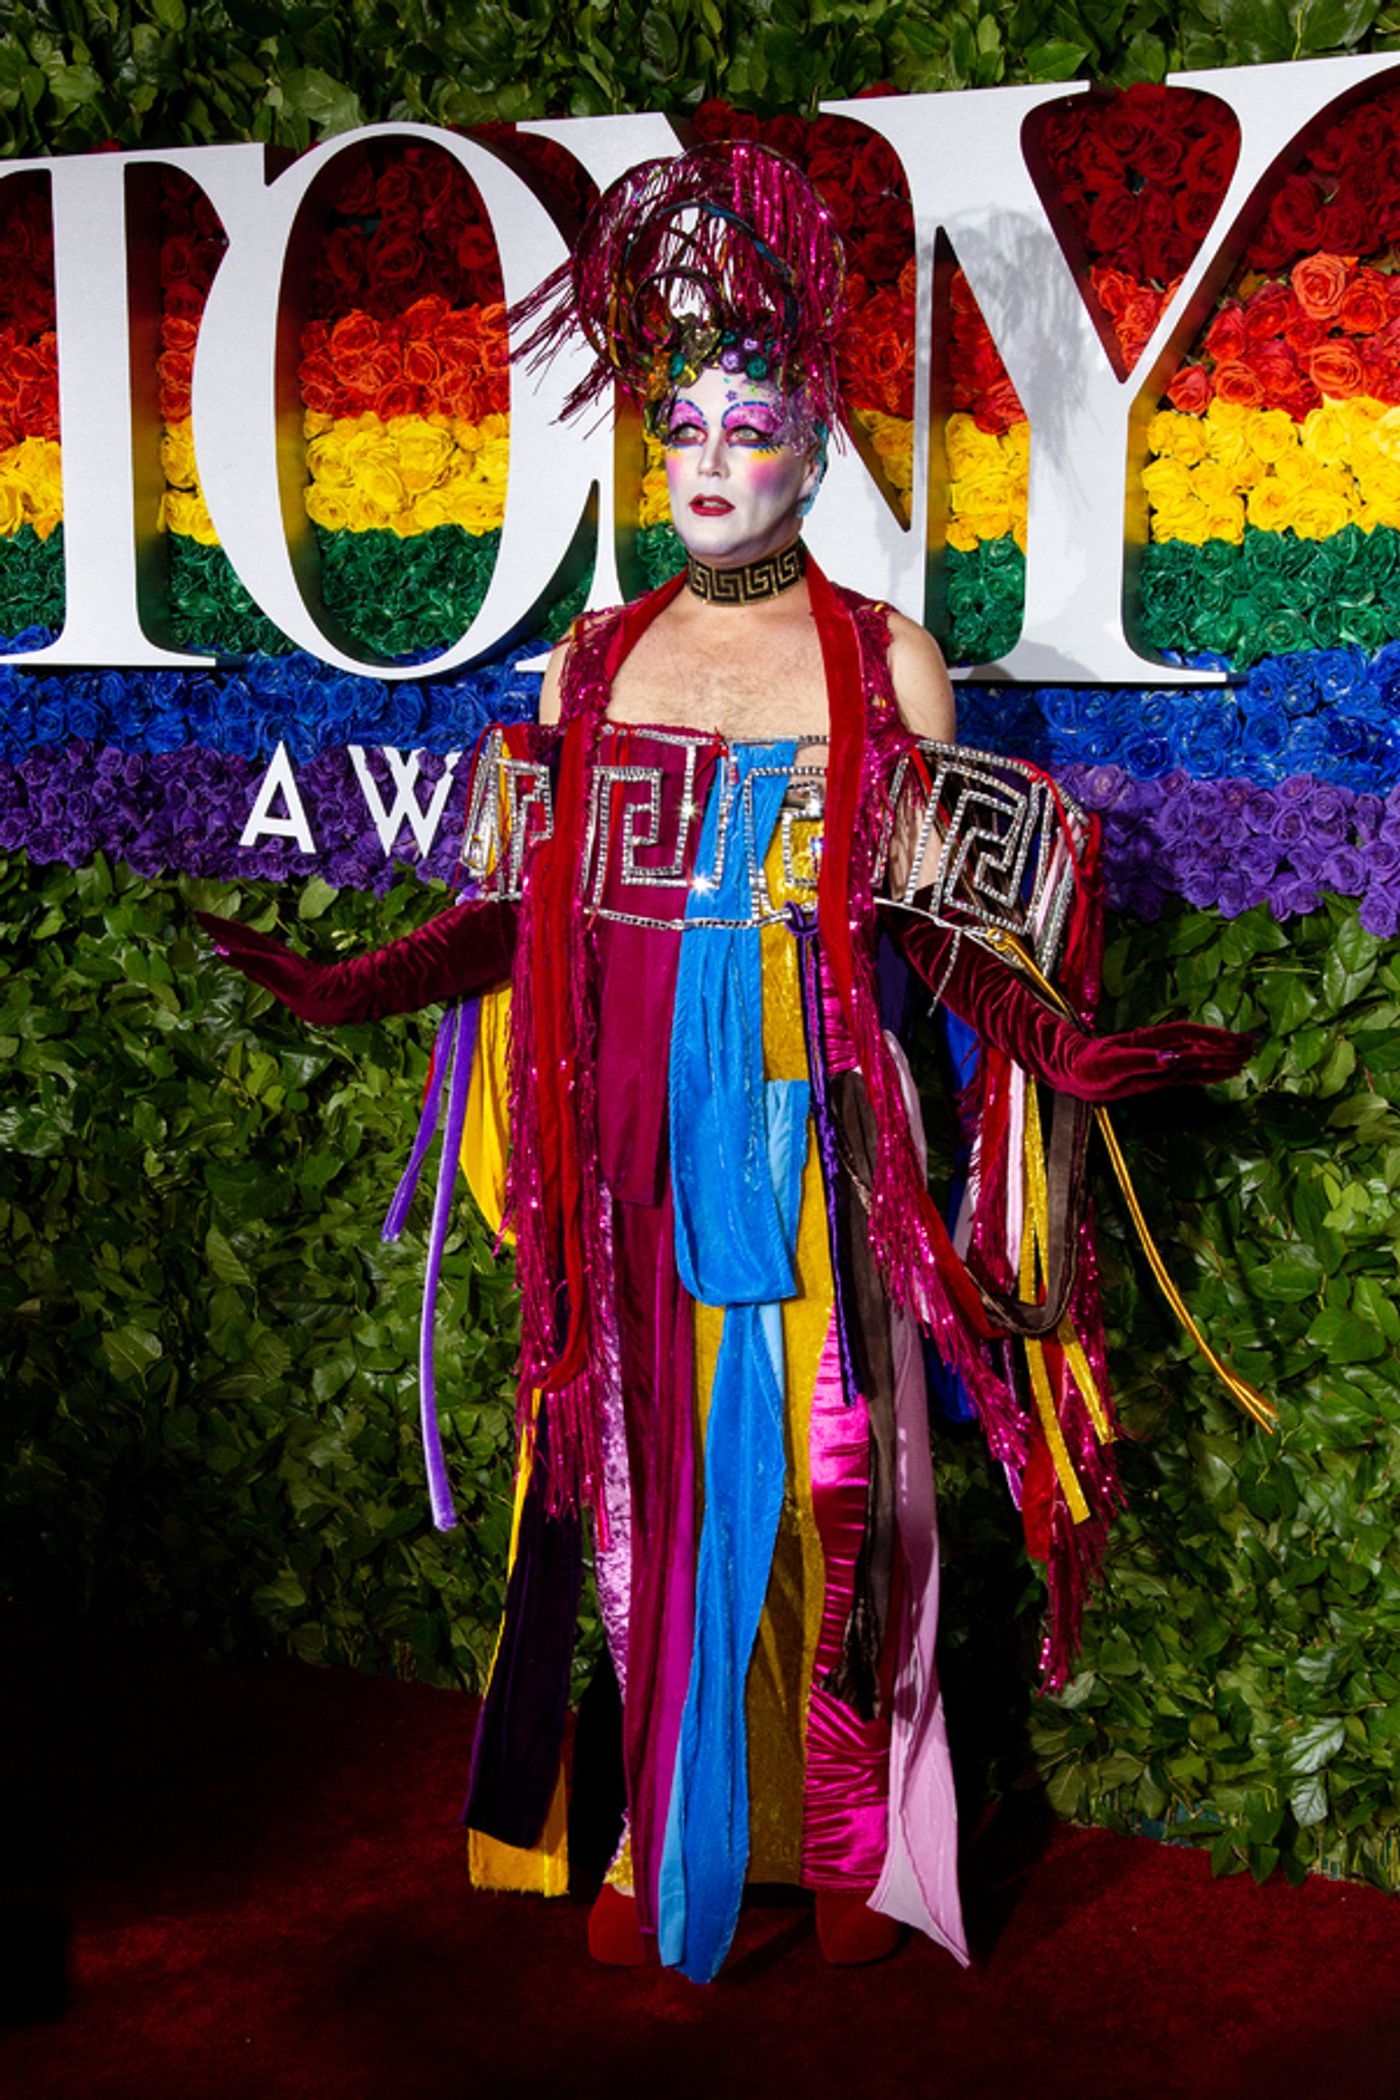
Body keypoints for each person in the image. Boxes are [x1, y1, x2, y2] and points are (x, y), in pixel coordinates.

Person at [198, 143, 1252, 1981]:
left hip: (821, 1161)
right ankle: (664, 1855)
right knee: (646, 1494)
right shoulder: (582, 672)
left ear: (811, 450)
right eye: (679, 427)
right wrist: (346, 987)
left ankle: (836, 1845)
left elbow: (951, 950)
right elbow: (512, 931)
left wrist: (1078, 1058)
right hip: (621, 1162)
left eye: (746, 428)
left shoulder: (888, 666)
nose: (705, 460)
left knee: (832, 1494)